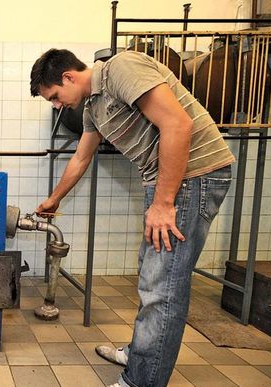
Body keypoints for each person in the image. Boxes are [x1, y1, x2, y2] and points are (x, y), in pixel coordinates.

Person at [30, 48, 235, 387]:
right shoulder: (93, 106)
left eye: (54, 96)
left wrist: (164, 202)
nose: (56, 105)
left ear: (68, 76)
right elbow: (80, 159)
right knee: (152, 274)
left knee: (162, 287)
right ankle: (142, 352)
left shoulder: (120, 69)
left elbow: (177, 123)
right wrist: (54, 199)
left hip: (193, 178)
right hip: (168, 182)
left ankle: (142, 379)